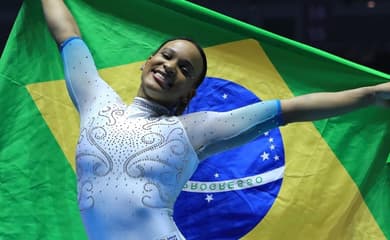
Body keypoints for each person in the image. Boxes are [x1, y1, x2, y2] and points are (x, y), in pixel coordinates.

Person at [41, 0, 390, 239]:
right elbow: (67, 34)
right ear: (147, 62)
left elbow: (290, 110)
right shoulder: (96, 101)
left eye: (184, 70)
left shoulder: (194, 131)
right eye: (166, 56)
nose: (170, 67)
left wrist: (371, 94)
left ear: (187, 94)